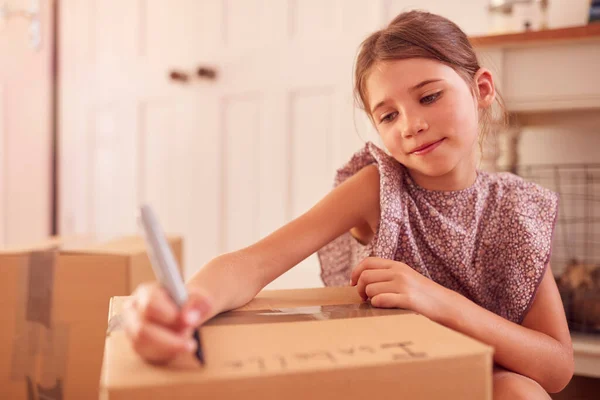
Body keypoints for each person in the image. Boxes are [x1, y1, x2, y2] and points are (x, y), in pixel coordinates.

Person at [122, 10, 573, 399]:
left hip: (477, 383)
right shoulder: (379, 188)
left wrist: (438, 301)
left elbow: (556, 366)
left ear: (482, 89)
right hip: (389, 382)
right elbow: (252, 264)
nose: (412, 125)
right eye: (388, 115)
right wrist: (188, 306)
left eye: (429, 96)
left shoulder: (517, 206)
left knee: (519, 391)